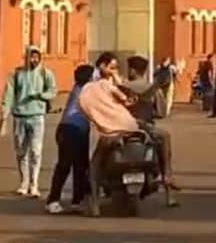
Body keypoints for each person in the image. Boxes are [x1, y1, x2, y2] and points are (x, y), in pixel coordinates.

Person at [77, 53, 178, 214]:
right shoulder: (117, 86)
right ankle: (168, 181)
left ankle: (95, 204)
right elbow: (159, 111)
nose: (116, 70)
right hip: (135, 127)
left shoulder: (94, 89)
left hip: (112, 133)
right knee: (164, 140)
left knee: (95, 165)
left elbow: (86, 110)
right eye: (113, 67)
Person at [0, 46, 57, 197]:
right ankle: (23, 182)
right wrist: (4, 117)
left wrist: (40, 95)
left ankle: (34, 183)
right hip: (20, 117)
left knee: (36, 152)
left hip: (37, 116)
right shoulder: (17, 74)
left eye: (36, 57)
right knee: (21, 151)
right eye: (31, 57)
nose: (34, 60)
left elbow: (52, 91)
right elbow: (8, 96)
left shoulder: (46, 73)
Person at [119, 56, 180, 193]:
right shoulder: (153, 89)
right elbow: (162, 112)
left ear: (133, 71)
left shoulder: (121, 87)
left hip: (120, 127)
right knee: (165, 138)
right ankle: (167, 175)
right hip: (145, 127)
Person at [46, 65, 94, 214]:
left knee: (81, 167)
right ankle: (52, 200)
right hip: (69, 130)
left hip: (80, 131)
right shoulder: (83, 91)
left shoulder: (82, 88)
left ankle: (77, 200)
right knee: (64, 166)